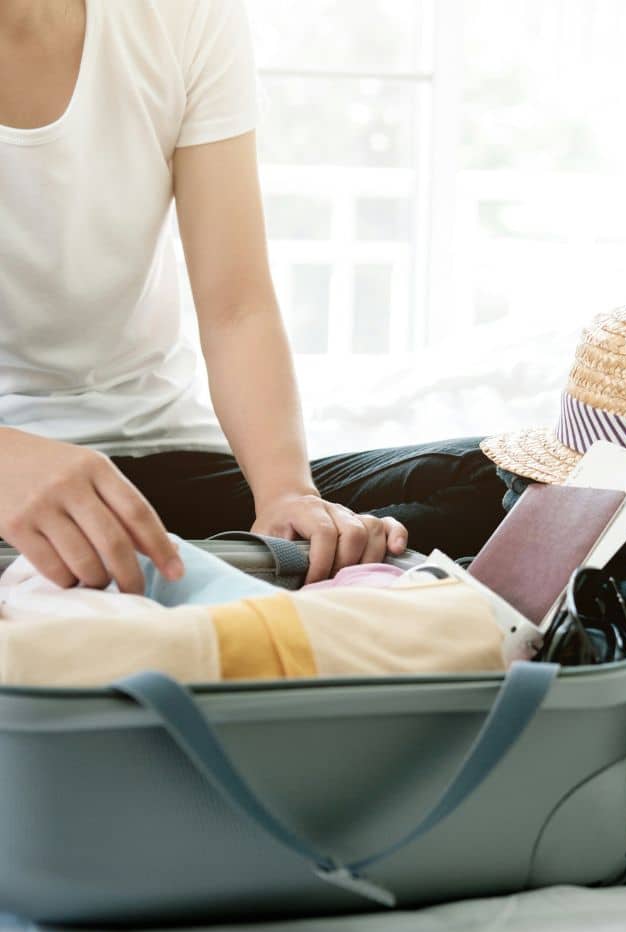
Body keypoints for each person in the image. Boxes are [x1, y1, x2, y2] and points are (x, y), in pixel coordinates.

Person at [0, 0, 503, 596]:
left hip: (166, 456)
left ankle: (228, 566)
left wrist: (286, 493)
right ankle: (223, 575)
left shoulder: (185, 15)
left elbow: (237, 307)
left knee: (503, 480)